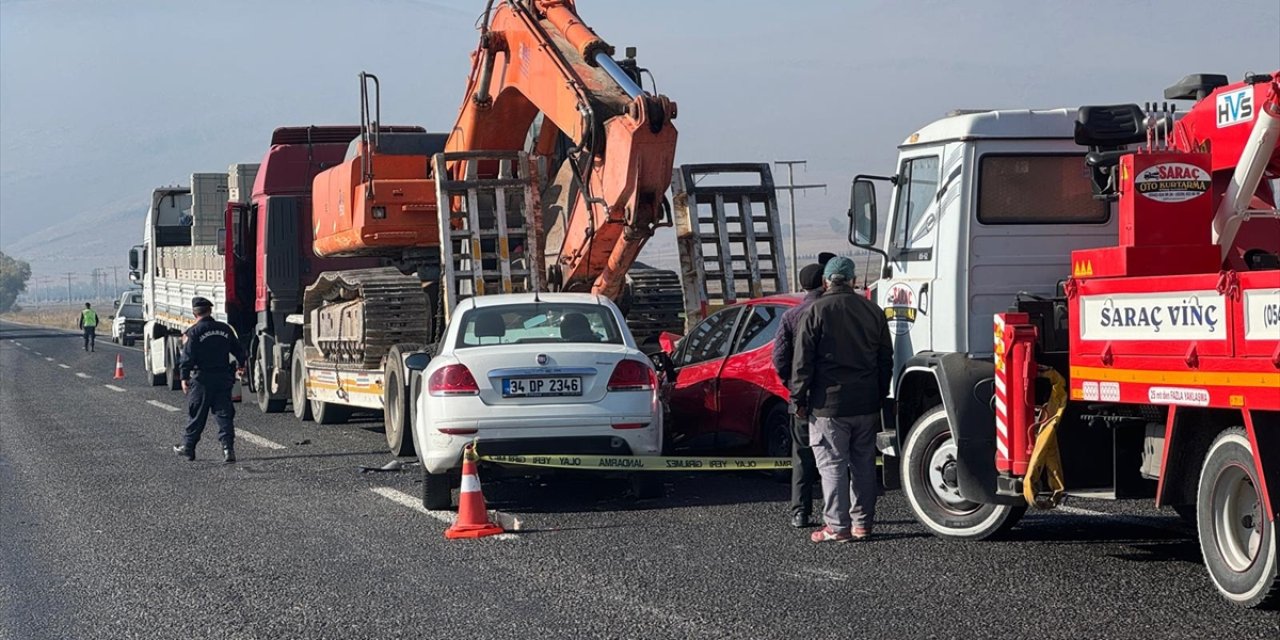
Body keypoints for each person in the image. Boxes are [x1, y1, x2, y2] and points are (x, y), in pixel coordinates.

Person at [791, 256, 892, 542]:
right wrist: (880, 392)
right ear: (854, 281)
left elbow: (802, 363)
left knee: (832, 464)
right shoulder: (873, 311)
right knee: (863, 464)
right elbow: (886, 358)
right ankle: (863, 524)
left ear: (826, 282)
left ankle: (837, 527)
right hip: (866, 402)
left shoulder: (815, 311)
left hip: (828, 405)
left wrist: (797, 399)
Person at [772, 262, 826, 528]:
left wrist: (792, 386)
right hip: (835, 397)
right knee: (840, 457)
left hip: (803, 398)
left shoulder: (791, 316)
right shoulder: (832, 311)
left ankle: (800, 512)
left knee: (802, 456)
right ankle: (841, 512)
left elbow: (779, 358)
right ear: (824, 282)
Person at [173, 297, 247, 463]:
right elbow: (239, 350)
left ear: (194, 313)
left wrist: (184, 377)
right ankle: (228, 450)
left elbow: (187, 358)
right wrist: (242, 365)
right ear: (210, 310)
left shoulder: (193, 332)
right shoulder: (225, 329)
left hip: (202, 380)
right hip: (223, 378)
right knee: (224, 415)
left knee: (197, 414)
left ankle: (188, 447)